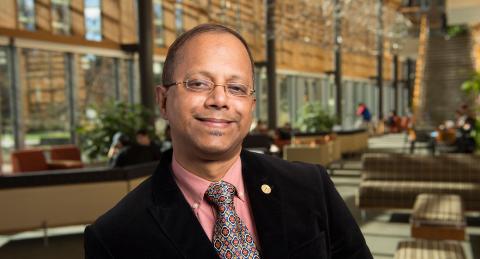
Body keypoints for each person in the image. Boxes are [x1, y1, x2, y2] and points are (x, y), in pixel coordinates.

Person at [84, 24, 372, 259]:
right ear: (163, 101)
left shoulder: (311, 187)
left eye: (236, 88)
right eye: (198, 83)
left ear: (251, 106)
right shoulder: (115, 236)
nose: (220, 100)